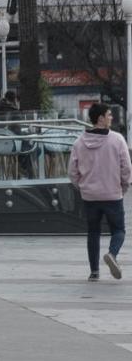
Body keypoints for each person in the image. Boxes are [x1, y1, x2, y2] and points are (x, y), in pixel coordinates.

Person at [69, 103, 131, 282]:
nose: (111, 117)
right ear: (101, 118)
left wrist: (81, 186)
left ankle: (94, 272)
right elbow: (126, 168)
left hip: (90, 196)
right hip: (112, 194)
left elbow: (72, 171)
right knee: (118, 230)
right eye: (109, 115)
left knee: (93, 232)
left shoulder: (79, 142)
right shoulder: (117, 140)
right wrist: (124, 186)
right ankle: (112, 254)